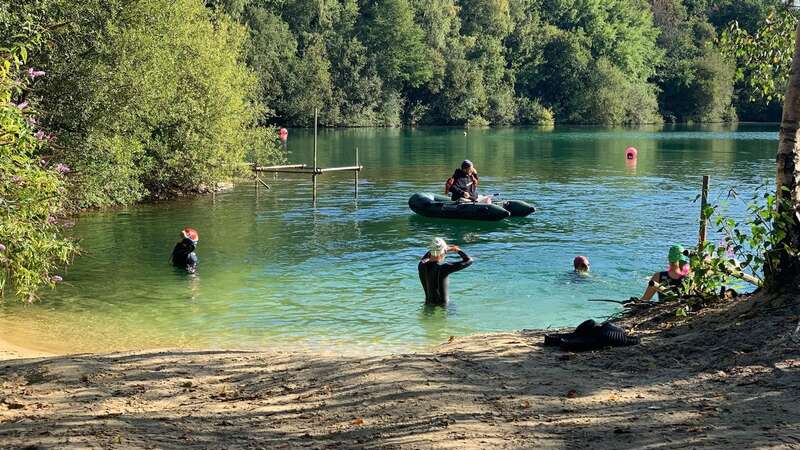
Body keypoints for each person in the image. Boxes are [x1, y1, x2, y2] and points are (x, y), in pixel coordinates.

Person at [418, 238, 473, 305]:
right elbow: (469, 260)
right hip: (443, 308)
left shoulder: (421, 264)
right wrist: (458, 250)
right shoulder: (443, 267)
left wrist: (444, 249)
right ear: (443, 252)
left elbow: (430, 252)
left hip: (428, 304)